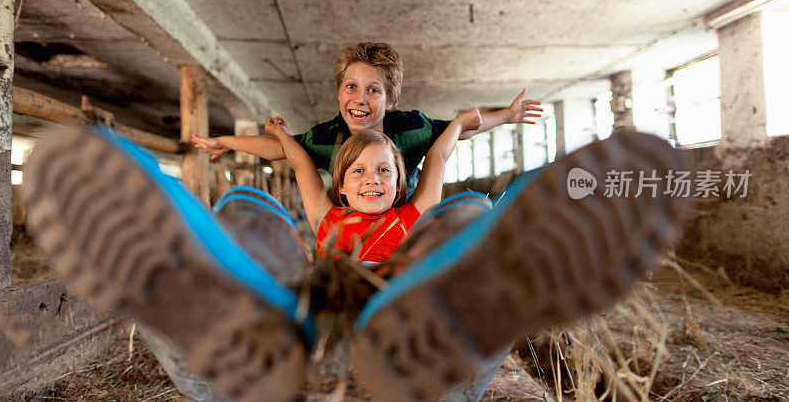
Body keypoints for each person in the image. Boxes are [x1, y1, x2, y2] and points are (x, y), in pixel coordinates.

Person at [191, 42, 543, 194]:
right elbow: (280, 149)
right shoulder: (327, 138)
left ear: (390, 100)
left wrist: (508, 115)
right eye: (351, 87)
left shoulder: (412, 128)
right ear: (339, 91)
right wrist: (225, 141)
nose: (360, 100)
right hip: (354, 228)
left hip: (406, 220)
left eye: (373, 90)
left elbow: (459, 130)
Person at [263, 108, 482, 264]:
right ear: (340, 186)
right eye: (358, 171)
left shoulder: (412, 219)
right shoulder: (329, 223)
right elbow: (301, 164)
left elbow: (438, 156)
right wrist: (282, 134)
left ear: (398, 184)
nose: (373, 179)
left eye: (384, 170)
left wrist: (458, 124)